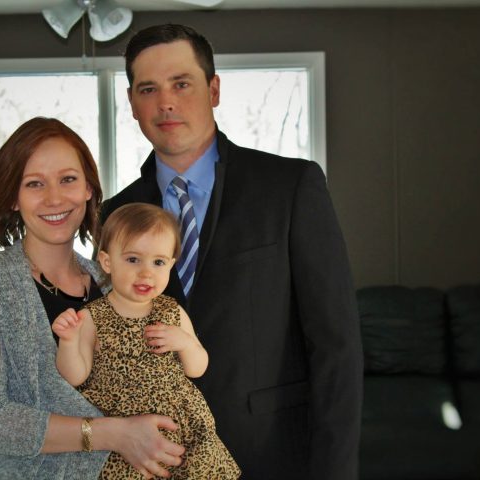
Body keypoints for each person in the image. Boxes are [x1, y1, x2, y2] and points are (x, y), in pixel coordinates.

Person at [101, 24, 364, 479]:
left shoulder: (290, 186)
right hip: (157, 463)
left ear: (214, 90)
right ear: (132, 103)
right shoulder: (115, 213)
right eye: (149, 89)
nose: (166, 102)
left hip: (273, 457)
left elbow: (336, 347)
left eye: (181, 83)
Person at [0, 117, 185, 479]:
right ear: (13, 197)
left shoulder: (116, 281)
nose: (54, 198)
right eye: (34, 184)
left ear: (88, 188)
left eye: (68, 179)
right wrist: (113, 434)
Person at [52, 203, 241, 479]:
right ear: (107, 262)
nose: (146, 273)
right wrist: (68, 341)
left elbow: (197, 368)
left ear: (171, 265)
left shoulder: (172, 311)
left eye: (158, 262)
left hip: (180, 428)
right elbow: (75, 376)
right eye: (133, 260)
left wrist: (186, 344)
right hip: (122, 433)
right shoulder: (92, 316)